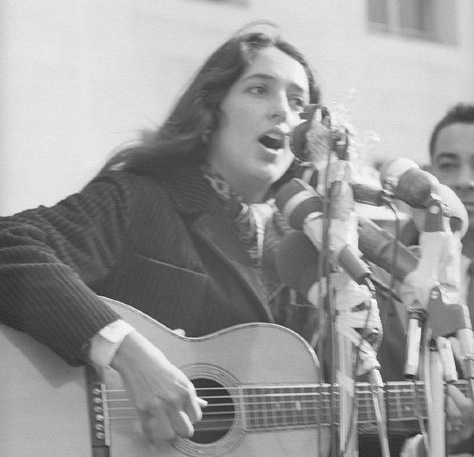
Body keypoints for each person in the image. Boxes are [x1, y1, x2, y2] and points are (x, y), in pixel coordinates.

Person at [0, 21, 324, 450]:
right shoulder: (142, 199)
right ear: (210, 113)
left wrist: (430, 403)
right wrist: (127, 353)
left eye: (299, 102)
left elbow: (330, 415)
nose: (284, 111)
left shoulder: (308, 255)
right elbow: (9, 247)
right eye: (260, 89)